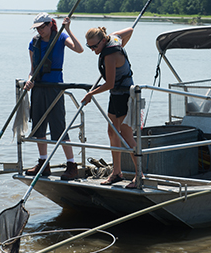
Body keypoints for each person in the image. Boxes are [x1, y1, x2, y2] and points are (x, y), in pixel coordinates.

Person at [24, 13, 84, 180]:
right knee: (39, 128)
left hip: (55, 88)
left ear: (50, 24)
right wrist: (29, 82)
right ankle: (43, 164)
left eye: (42, 27)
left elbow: (79, 49)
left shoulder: (60, 37)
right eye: (37, 28)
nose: (40, 31)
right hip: (39, 88)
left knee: (59, 127)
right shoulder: (34, 43)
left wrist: (69, 29)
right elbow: (32, 70)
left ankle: (71, 165)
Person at [81, 26, 139, 189]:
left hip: (125, 96)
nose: (93, 50)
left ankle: (139, 174)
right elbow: (129, 31)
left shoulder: (111, 55)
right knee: (112, 132)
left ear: (103, 40)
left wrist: (90, 94)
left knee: (126, 136)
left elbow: (109, 83)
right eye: (89, 47)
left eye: (94, 46)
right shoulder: (113, 39)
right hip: (115, 95)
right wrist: (119, 41)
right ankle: (117, 172)